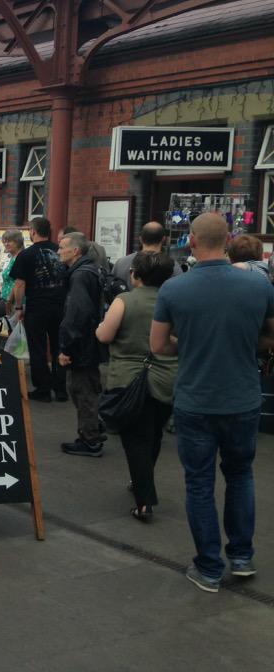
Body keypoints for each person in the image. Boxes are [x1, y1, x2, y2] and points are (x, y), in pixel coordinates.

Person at [150, 213, 274, 593]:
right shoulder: (260, 285)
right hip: (242, 397)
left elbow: (157, 346)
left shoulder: (174, 289)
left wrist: (189, 344)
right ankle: (241, 557)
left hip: (195, 399)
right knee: (240, 475)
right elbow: (269, 339)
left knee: (200, 483)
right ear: (229, 240)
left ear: (191, 241)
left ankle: (207, 568)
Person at [96, 251, 178, 520]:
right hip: (167, 377)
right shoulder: (174, 303)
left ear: (134, 274)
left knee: (136, 441)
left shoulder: (124, 301)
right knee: (154, 436)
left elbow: (105, 335)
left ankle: (144, 502)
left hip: (130, 378)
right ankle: (143, 482)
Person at [57, 231, 105, 457]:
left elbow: (77, 313)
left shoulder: (79, 276)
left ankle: (90, 439)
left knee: (81, 390)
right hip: (89, 341)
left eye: (62, 247)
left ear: (75, 251)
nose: (58, 251)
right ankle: (93, 426)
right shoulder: (89, 270)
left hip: (82, 344)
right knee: (84, 387)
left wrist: (66, 347)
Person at [10, 217, 67, 402]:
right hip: (60, 306)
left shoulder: (26, 255)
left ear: (32, 232)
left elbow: (19, 284)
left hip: (36, 307)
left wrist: (18, 307)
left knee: (38, 348)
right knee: (59, 346)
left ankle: (43, 389)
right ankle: (60, 389)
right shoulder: (60, 251)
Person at [111, 222, 182, 288]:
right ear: (163, 239)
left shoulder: (121, 263)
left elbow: (112, 287)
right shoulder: (172, 265)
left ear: (140, 239)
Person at [0, 229, 24, 309]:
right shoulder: (13, 257)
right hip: (8, 302)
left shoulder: (20, 258)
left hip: (14, 304)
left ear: (17, 242)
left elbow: (17, 282)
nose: (6, 244)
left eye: (9, 241)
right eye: (4, 242)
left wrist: (9, 301)